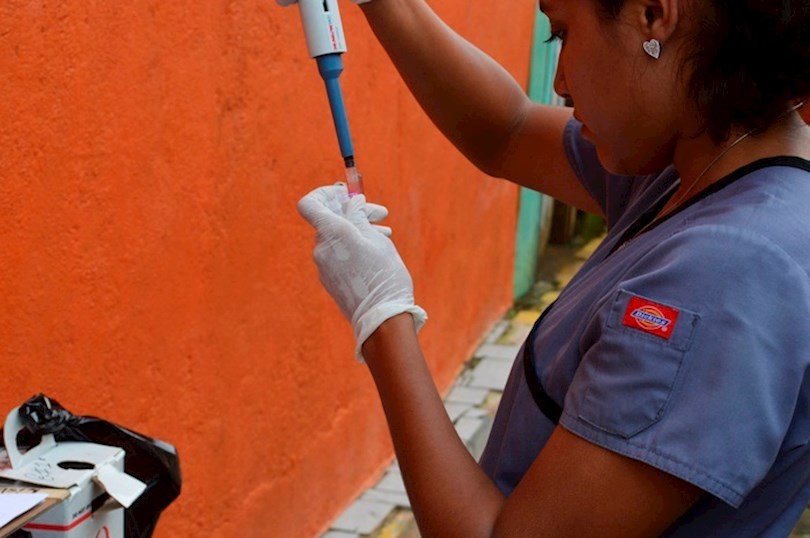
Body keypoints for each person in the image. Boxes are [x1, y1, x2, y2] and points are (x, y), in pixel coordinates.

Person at [294, 0, 810, 535]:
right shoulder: (700, 162)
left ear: (653, 15)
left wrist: (381, 316)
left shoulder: (727, 273)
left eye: (560, 33)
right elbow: (507, 131)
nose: (559, 82)